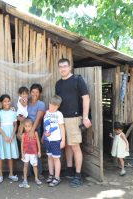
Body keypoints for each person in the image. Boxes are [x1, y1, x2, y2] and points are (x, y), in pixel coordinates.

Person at [55, 58, 92, 188]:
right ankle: (69, 169)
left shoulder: (77, 79)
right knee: (66, 145)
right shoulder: (58, 84)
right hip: (61, 118)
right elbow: (57, 102)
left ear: (69, 67)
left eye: (65, 66)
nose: (63, 69)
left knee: (75, 146)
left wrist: (86, 117)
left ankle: (78, 175)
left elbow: (86, 98)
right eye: (60, 67)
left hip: (74, 118)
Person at [18, 83, 46, 178]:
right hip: (25, 129)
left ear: (40, 93)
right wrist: (20, 120)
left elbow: (38, 119)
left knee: (35, 150)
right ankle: (28, 173)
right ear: (30, 92)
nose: (34, 94)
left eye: (37, 92)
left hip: (35, 130)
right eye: (33, 92)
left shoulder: (41, 104)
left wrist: (32, 131)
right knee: (26, 150)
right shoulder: (26, 102)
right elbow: (20, 113)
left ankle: (38, 173)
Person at [0, 94, 19, 183]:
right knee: (1, 155)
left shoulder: (13, 113)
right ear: (1, 102)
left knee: (10, 155)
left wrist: (12, 136)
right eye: (5, 101)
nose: (7, 103)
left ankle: (11, 174)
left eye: (8, 101)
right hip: (2, 136)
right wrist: (5, 136)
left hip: (11, 135)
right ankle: (0, 174)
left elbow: (15, 125)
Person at [43, 95, 65, 187]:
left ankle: (57, 177)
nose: (52, 107)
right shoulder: (46, 112)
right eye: (51, 104)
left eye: (54, 106)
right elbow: (45, 126)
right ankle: (51, 175)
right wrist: (43, 135)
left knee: (56, 158)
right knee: (49, 157)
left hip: (56, 140)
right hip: (47, 140)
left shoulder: (59, 114)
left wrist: (63, 140)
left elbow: (62, 127)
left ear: (58, 106)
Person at [19, 118, 42, 188]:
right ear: (24, 127)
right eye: (26, 126)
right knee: (25, 165)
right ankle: (25, 179)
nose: (27, 128)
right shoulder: (23, 135)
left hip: (34, 153)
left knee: (35, 166)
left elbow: (38, 142)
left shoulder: (35, 133)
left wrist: (39, 151)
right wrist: (22, 153)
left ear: (32, 126)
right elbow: (22, 144)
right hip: (26, 153)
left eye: (29, 126)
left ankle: (36, 178)